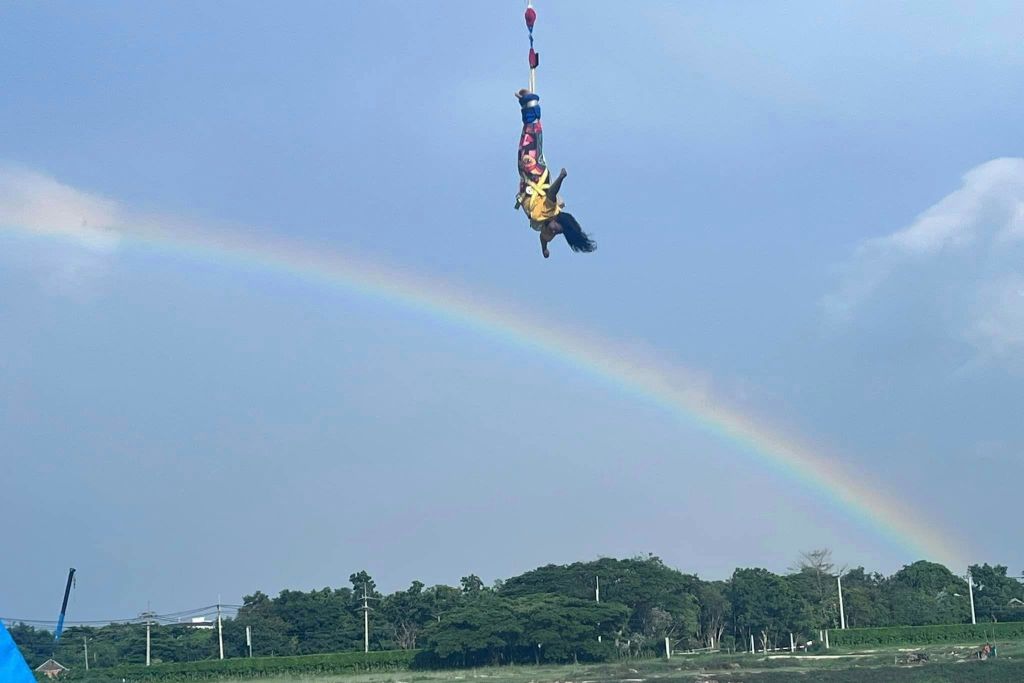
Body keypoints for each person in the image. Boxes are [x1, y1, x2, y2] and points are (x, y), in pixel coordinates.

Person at [515, 90, 596, 258]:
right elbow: (552, 192)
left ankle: (526, 104)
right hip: (534, 173)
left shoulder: (548, 229)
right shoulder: (550, 211)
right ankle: (531, 104)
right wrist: (561, 177)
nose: (554, 232)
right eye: (558, 230)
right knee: (530, 142)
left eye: (557, 233)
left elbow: (543, 238)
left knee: (527, 141)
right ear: (559, 221)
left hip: (526, 177)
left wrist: (544, 249)